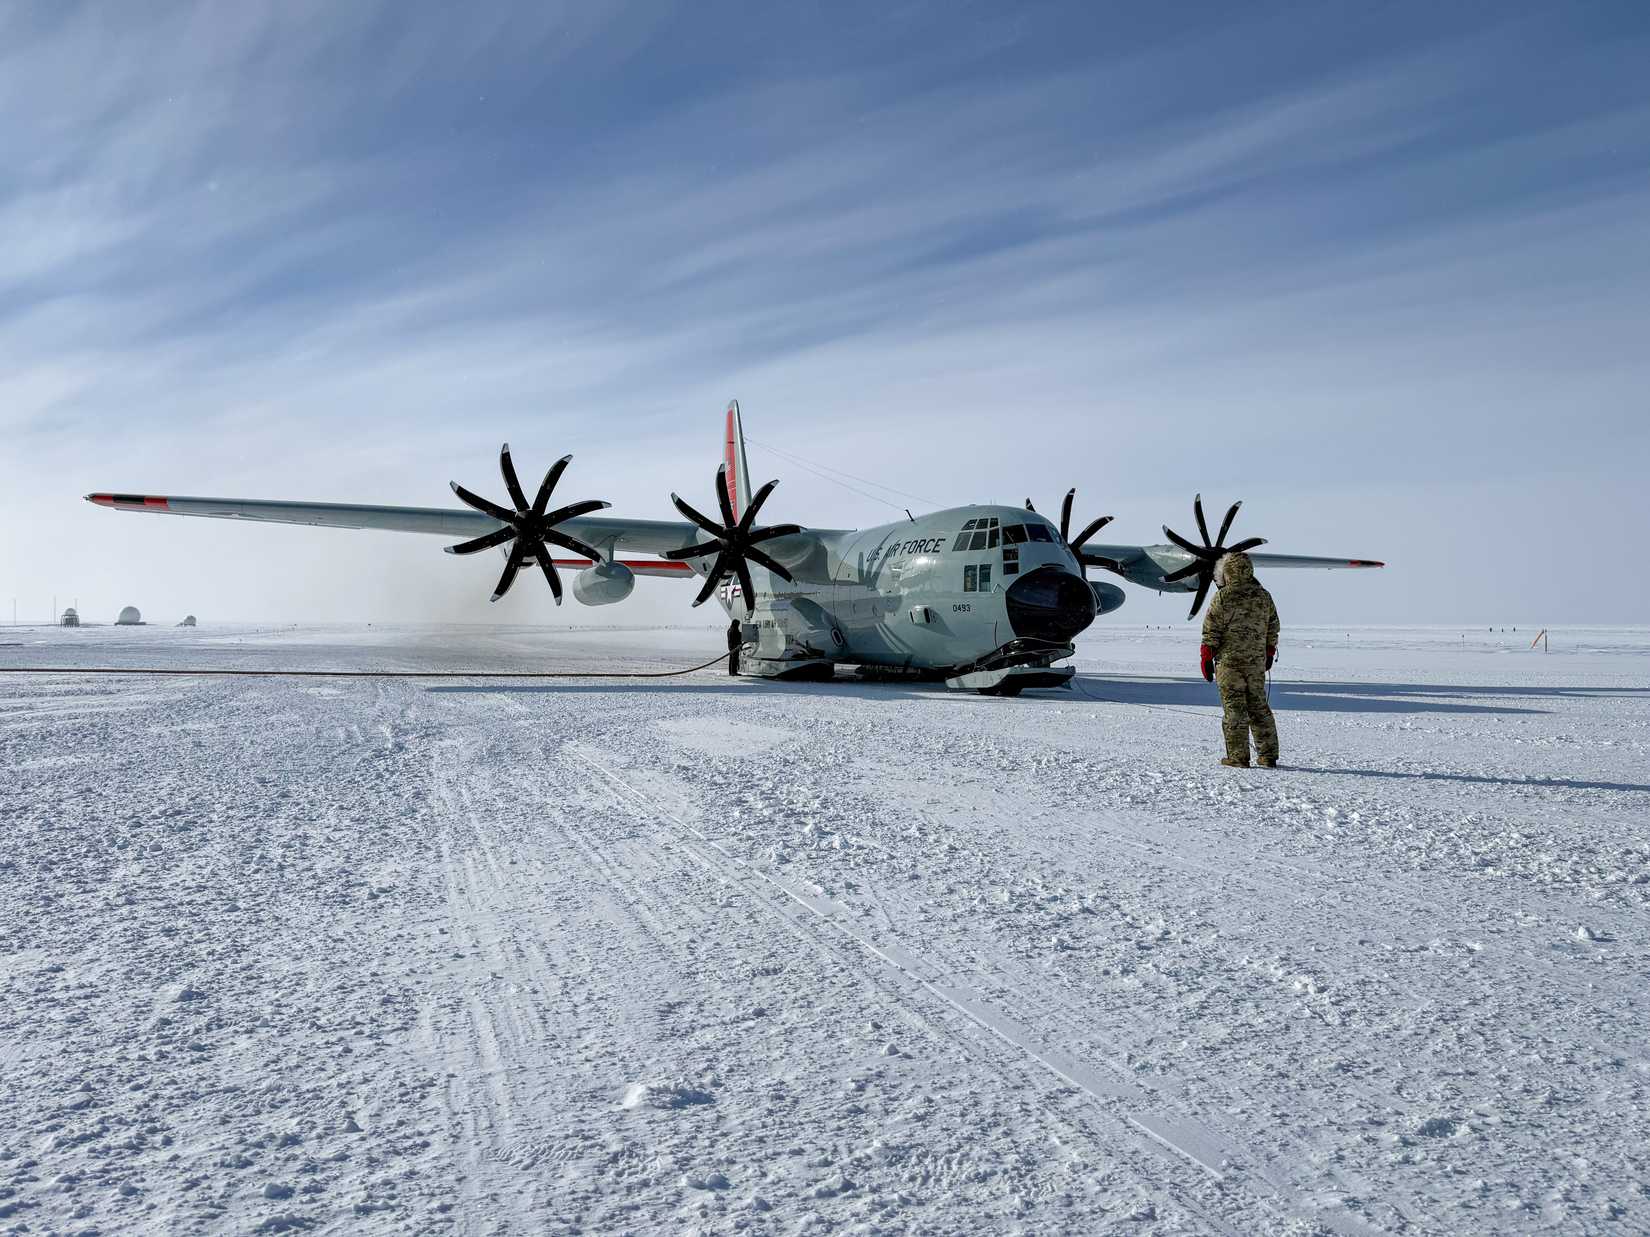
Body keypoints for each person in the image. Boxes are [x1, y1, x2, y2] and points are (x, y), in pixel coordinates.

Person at [1199, 552, 1279, 768]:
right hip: (1256, 664)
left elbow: (1211, 630)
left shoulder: (1224, 597)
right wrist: (1269, 652)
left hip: (1230, 664)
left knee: (1235, 709)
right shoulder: (1264, 596)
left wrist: (1206, 656)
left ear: (1228, 572)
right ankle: (1268, 755)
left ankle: (1238, 757)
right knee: (1259, 707)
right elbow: (1273, 627)